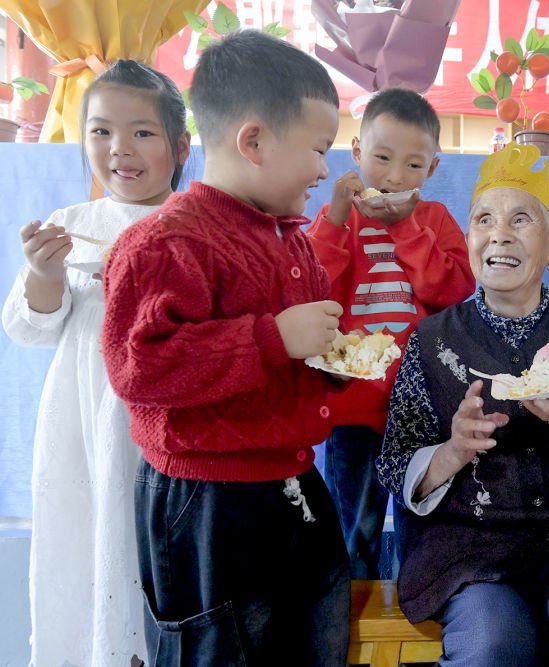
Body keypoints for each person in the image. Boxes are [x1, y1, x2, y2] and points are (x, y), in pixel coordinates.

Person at [101, 31, 350, 664]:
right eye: (319, 149)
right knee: (220, 649)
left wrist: (334, 362)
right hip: (208, 504)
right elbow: (139, 366)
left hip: (293, 480)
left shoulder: (293, 240)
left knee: (313, 636)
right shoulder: (165, 242)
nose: (325, 170)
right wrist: (273, 338)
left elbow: (297, 356)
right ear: (254, 141)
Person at [376, 143, 549, 666]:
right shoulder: (430, 340)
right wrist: (453, 451)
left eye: (520, 219)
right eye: (484, 219)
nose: (499, 234)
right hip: (468, 551)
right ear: (469, 240)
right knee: (494, 644)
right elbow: (395, 462)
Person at [1, 60, 189, 666]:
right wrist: (43, 272)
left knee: (154, 556)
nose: (119, 149)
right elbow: (30, 327)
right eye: (101, 131)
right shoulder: (71, 226)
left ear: (181, 146)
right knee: (85, 547)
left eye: (142, 132)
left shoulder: (194, 227)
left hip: (161, 427)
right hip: (81, 426)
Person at [307, 87, 475, 579]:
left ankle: (419, 602)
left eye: (413, 165)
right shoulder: (338, 219)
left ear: (433, 169)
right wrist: (336, 219)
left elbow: (452, 289)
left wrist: (406, 230)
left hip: (421, 404)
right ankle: (351, 609)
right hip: (354, 405)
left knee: (421, 522)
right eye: (382, 158)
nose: (395, 177)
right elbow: (314, 290)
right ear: (357, 152)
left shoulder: (434, 220)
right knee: (352, 525)